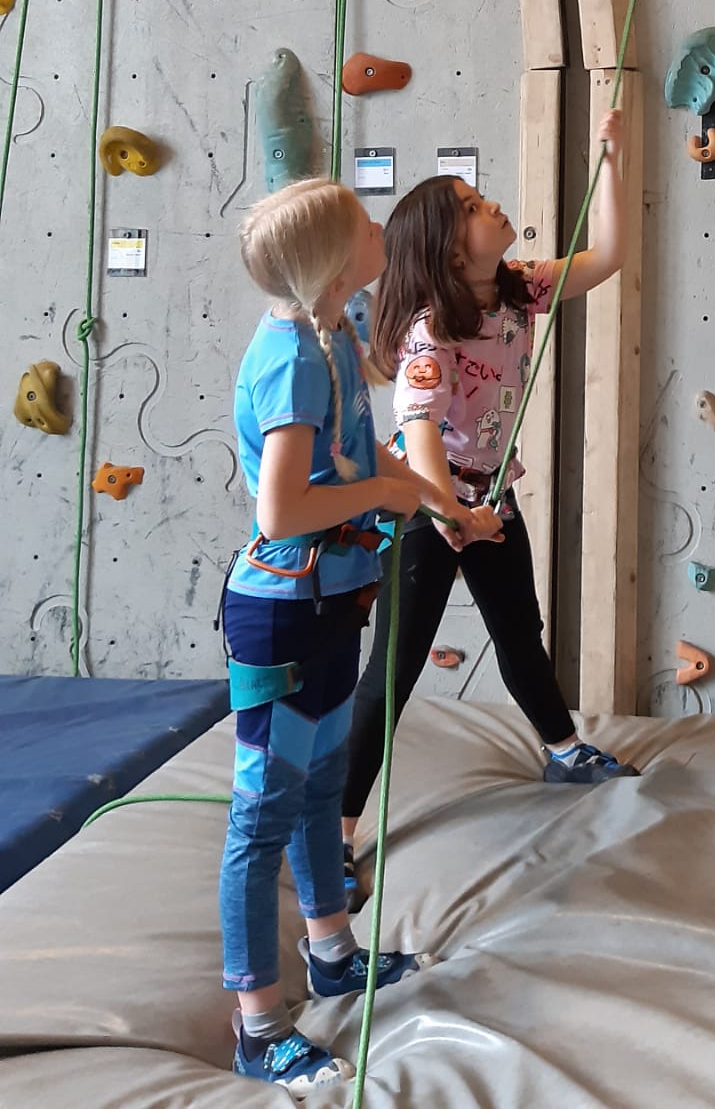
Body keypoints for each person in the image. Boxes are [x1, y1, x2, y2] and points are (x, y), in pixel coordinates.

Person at [341, 107, 637, 895]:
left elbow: (608, 256)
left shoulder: (517, 289)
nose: (492, 204)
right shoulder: (429, 333)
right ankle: (337, 827)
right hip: (426, 506)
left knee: (519, 632)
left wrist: (611, 159)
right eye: (473, 207)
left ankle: (563, 749)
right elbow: (420, 431)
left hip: (489, 496)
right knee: (394, 670)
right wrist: (449, 513)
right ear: (449, 249)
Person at [220, 177, 460, 1096]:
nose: (378, 226)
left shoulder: (331, 333)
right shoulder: (293, 358)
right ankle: (258, 1026)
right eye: (363, 224)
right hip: (283, 614)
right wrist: (388, 495)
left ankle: (330, 953)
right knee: (262, 818)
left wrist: (445, 508)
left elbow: (371, 454)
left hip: (329, 602)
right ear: (331, 262)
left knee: (322, 787)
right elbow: (281, 509)